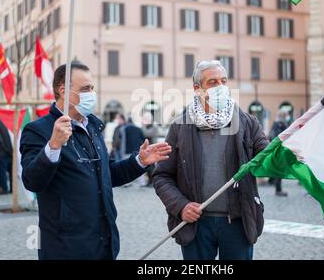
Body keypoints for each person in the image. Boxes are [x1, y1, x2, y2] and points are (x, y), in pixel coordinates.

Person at [20, 62, 171, 260]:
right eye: (85, 89)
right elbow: (32, 181)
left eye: (92, 88)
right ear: (64, 91)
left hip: (103, 241)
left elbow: (108, 174)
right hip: (65, 246)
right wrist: (53, 146)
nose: (91, 93)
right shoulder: (38, 130)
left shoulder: (93, 127)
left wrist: (139, 161)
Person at [153, 60, 269, 260]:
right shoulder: (180, 126)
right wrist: (181, 206)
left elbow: (268, 159)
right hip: (196, 226)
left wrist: (286, 152)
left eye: (224, 81)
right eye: (213, 82)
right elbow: (162, 176)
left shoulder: (248, 123)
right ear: (197, 88)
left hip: (238, 223)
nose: (220, 87)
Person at [267, 109, 289, 197]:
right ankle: (278, 189)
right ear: (282, 115)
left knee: (277, 167)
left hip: (278, 149)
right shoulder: (279, 123)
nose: (286, 115)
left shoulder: (278, 122)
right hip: (279, 149)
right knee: (279, 169)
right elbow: (279, 136)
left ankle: (271, 181)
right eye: (285, 114)